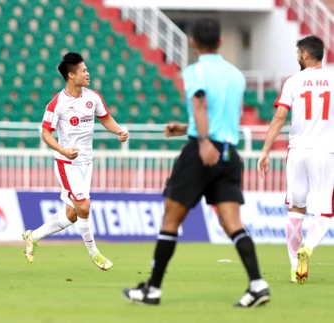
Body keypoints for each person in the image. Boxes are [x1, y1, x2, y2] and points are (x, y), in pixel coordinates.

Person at [123, 19, 270, 307]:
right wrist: (186, 128)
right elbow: (220, 114)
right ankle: (257, 284)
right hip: (228, 153)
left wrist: (200, 140)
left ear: (192, 42)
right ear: (220, 41)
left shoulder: (195, 71)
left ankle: (152, 290)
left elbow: (202, 104)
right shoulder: (235, 74)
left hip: (203, 152)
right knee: (233, 224)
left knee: (170, 220)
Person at [22, 52, 129, 270]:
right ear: (71, 75)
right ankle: (95, 254)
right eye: (83, 70)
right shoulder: (57, 104)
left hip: (86, 162)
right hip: (66, 163)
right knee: (84, 206)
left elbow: (105, 118)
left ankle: (33, 236)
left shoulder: (93, 98)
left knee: (72, 214)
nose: (88, 74)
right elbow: (45, 133)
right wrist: (62, 149)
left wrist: (118, 131)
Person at [257, 35, 334, 284]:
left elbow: (280, 117)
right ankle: (308, 248)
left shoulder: (293, 81)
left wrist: (265, 151)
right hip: (325, 152)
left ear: (305, 55)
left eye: (298, 53)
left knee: (295, 209)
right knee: (323, 211)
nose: (297, 56)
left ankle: (294, 270)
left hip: (297, 151)